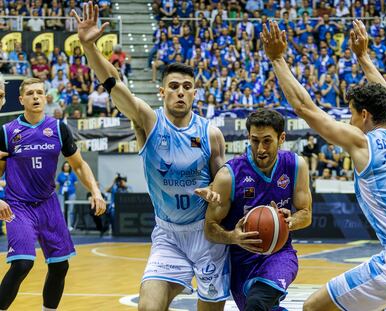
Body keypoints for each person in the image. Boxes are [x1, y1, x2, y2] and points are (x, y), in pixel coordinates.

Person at [72, 3, 229, 310]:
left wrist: (216, 194)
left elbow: (224, 181)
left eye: (187, 87)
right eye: (174, 86)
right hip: (168, 234)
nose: (180, 92)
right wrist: (89, 48)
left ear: (195, 92)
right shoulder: (148, 120)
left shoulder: (211, 133)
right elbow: (116, 87)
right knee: (148, 307)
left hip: (206, 232)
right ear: (161, 92)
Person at [261, 19, 386, 311]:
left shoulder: (361, 143)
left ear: (365, 115)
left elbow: (305, 108)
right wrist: (363, 57)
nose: (349, 120)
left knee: (314, 307)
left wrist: (277, 59)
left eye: (352, 114)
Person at [0, 77, 106, 310]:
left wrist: (96, 191)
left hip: (48, 205)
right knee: (21, 264)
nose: (36, 97)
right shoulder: (7, 132)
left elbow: (78, 165)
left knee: (60, 266)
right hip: (18, 205)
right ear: (21, 99)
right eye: (30, 93)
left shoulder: (58, 128)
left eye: (40, 92)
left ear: (45, 97)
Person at [204, 109, 312, 311]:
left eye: (267, 141)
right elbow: (209, 228)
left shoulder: (296, 165)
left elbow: (306, 214)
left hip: (280, 254)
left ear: (281, 138)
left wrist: (291, 221)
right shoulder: (229, 175)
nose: (260, 148)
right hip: (242, 260)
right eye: (254, 141)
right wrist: (233, 237)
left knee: (258, 302)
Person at [56, 161, 78, 231]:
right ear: (63, 167)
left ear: (69, 167)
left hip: (71, 193)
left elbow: (76, 184)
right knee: (62, 210)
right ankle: (63, 225)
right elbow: (57, 185)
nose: (66, 167)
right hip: (62, 194)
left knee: (70, 210)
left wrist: (71, 189)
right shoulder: (60, 175)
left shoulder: (72, 175)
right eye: (65, 166)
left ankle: (69, 225)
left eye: (68, 166)